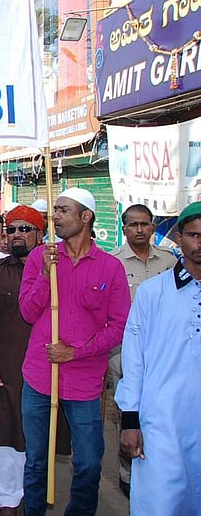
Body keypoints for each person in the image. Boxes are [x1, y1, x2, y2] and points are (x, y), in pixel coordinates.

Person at [19, 187, 130, 515]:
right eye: (56, 210)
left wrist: (76, 352)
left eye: (64, 210)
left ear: (86, 217)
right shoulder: (41, 257)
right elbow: (27, 311)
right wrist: (44, 275)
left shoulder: (110, 268)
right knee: (36, 462)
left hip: (83, 383)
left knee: (88, 465)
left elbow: (118, 326)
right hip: (39, 376)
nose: (56, 217)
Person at [115, 201, 201, 515]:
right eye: (193, 235)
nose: (200, 242)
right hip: (161, 420)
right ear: (179, 238)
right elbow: (134, 359)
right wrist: (130, 419)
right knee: (162, 500)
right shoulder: (154, 292)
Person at [0, 205, 46, 515]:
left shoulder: (54, 270)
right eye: (13, 229)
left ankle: (33, 492)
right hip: (5, 367)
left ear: (40, 234)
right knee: (4, 431)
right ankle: (7, 500)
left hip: (45, 368)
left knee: (37, 433)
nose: (17, 235)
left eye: (25, 229)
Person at [108, 203, 176, 497]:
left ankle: (160, 469)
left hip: (163, 352)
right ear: (124, 229)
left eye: (145, 224)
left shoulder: (170, 262)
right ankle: (128, 473)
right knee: (128, 413)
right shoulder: (113, 264)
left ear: (152, 227)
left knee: (160, 413)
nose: (139, 229)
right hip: (123, 352)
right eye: (133, 225)